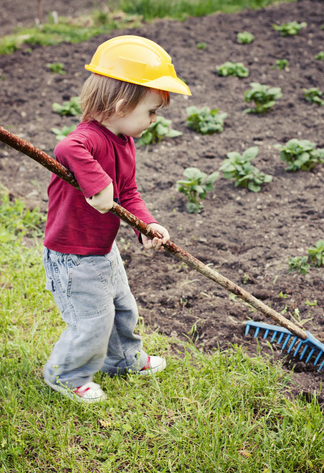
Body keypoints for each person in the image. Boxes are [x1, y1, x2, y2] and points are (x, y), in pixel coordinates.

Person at [41, 35, 191, 403]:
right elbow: (65, 147)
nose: (155, 120)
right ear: (122, 105)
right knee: (91, 321)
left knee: (122, 309)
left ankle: (123, 359)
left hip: (101, 250)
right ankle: (66, 375)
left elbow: (129, 194)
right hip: (72, 255)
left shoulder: (125, 142)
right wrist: (97, 184)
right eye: (152, 111)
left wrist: (146, 226)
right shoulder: (88, 139)